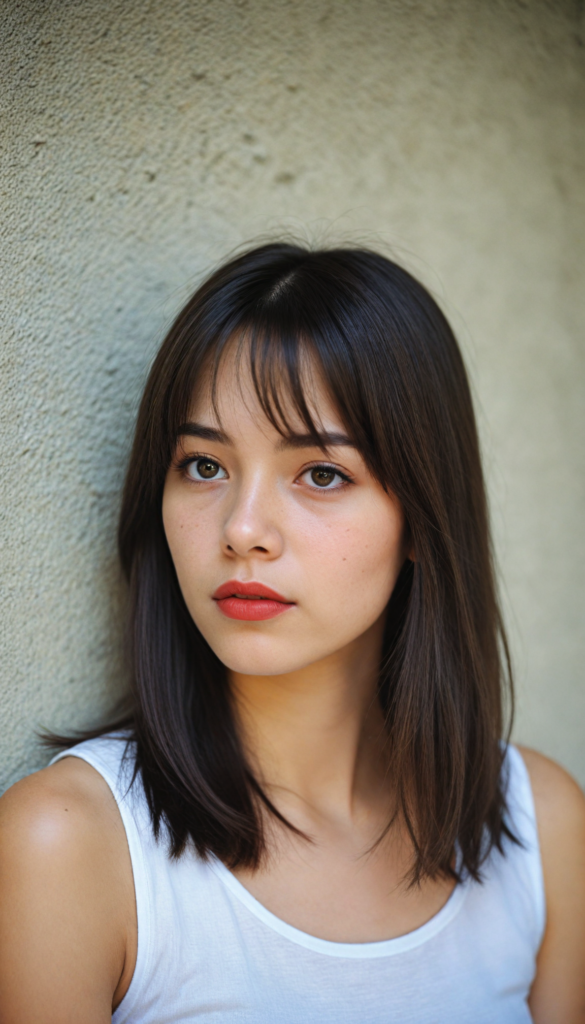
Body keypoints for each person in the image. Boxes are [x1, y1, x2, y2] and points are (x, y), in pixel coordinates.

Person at [0, 244, 584, 1023]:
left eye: (320, 474)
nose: (242, 530)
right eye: (203, 466)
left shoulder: (540, 829)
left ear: (420, 517)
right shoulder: (68, 847)